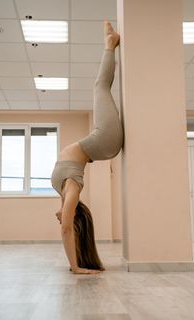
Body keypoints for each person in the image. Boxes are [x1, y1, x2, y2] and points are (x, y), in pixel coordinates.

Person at [51, 21, 123, 274]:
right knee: (100, 88)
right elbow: (66, 229)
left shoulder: (63, 193)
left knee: (102, 91)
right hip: (103, 142)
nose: (57, 218)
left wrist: (63, 209)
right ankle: (110, 43)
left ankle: (110, 45)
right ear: (75, 217)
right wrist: (75, 267)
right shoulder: (72, 190)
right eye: (67, 216)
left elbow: (65, 222)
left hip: (97, 145)